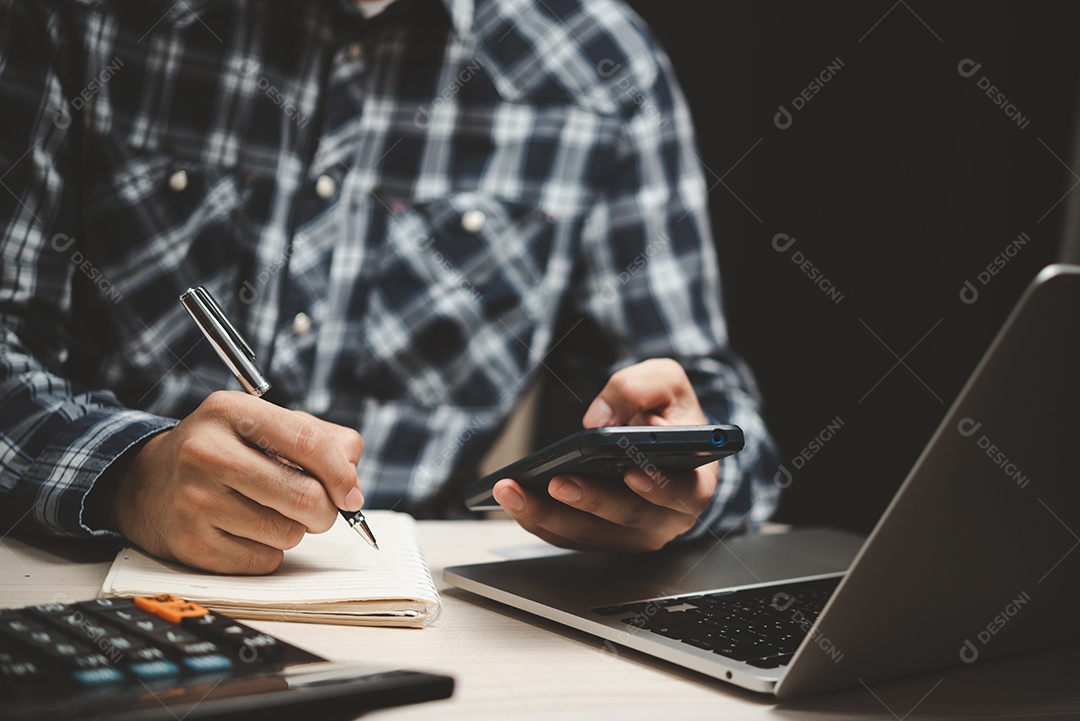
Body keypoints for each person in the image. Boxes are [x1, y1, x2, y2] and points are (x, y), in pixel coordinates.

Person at [0, 0, 779, 574]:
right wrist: (129, 475)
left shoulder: (603, 66)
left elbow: (715, 411)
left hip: (420, 605)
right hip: (96, 577)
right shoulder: (83, 17)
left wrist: (687, 484)